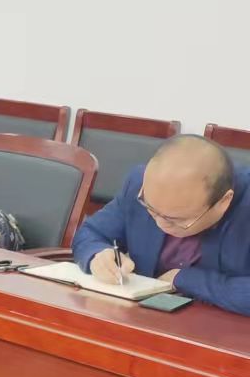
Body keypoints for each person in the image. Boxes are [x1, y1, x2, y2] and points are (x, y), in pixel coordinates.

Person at [73, 134, 250, 315]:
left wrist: (185, 279)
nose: (160, 224)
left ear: (223, 202)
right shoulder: (139, 183)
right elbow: (91, 233)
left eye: (177, 219)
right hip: (143, 317)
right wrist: (98, 255)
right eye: (151, 209)